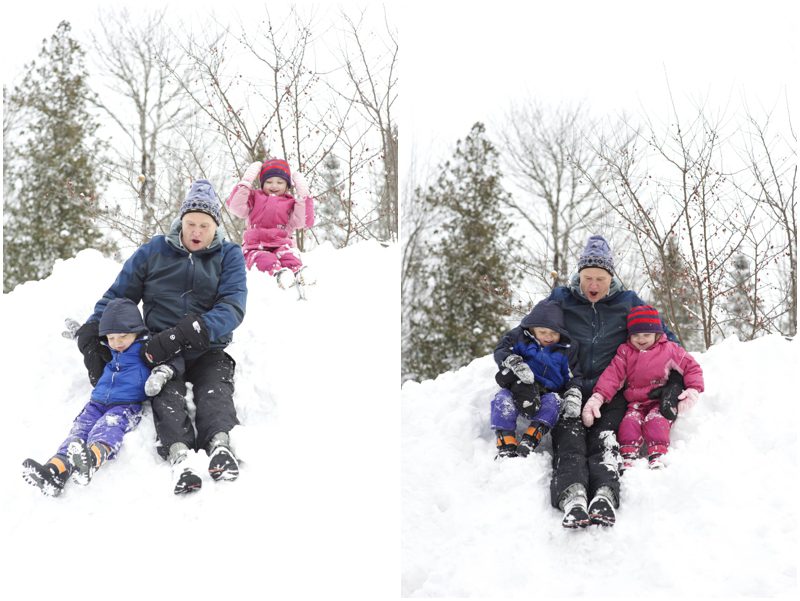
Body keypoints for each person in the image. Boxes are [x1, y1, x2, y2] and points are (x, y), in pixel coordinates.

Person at [74, 179, 248, 495]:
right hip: (159, 346)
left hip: (208, 344)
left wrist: (190, 331)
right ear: (180, 222)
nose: (196, 231)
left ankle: (219, 445)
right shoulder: (154, 251)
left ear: (216, 227)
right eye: (191, 223)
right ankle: (179, 454)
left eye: (204, 226)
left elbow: (233, 305)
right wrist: (92, 331)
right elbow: (119, 295)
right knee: (165, 392)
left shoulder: (229, 255)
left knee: (215, 388)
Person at [545, 234, 679, 529]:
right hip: (572, 389)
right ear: (578, 275)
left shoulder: (628, 302)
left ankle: (604, 494)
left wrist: (673, 383)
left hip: (612, 393)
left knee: (605, 440)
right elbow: (529, 330)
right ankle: (573, 496)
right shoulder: (561, 300)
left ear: (611, 277)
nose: (593, 285)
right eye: (587, 277)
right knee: (570, 441)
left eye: (600, 278)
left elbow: (665, 340)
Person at [22, 298, 177, 497]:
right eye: (111, 338)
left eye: (122, 336)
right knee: (79, 431)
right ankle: (54, 471)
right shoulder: (110, 349)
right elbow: (91, 345)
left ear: (137, 331)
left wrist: (162, 373)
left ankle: (92, 459)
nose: (116, 343)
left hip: (125, 405)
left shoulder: (146, 350)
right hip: (97, 402)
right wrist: (80, 333)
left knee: (108, 427)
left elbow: (172, 359)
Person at [586, 305, 704, 470]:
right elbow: (613, 376)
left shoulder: (669, 349)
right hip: (635, 402)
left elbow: (692, 367)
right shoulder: (625, 352)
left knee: (656, 421)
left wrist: (693, 390)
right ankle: (628, 454)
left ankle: (657, 453)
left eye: (646, 335)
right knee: (629, 423)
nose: (641, 340)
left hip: (659, 400)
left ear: (657, 334)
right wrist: (599, 396)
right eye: (636, 335)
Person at [491, 299, 581, 458]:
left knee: (553, 403)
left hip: (548, 391)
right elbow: (501, 350)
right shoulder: (519, 337)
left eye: (554, 333)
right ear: (532, 329)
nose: (548, 337)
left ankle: (533, 435)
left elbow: (574, 374)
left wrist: (573, 392)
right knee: (502, 398)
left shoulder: (566, 350)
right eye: (543, 332)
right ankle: (505, 437)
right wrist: (513, 361)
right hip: (520, 386)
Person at [226, 158, 315, 290]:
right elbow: (235, 207)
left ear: (287, 185)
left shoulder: (290, 203)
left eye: (280, 182)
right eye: (269, 182)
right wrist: (246, 181)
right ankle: (279, 275)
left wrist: (303, 196)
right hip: (255, 247)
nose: (274, 186)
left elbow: (305, 221)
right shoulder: (254, 198)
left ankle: (299, 273)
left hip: (281, 244)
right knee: (263, 259)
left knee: (290, 257)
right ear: (262, 183)